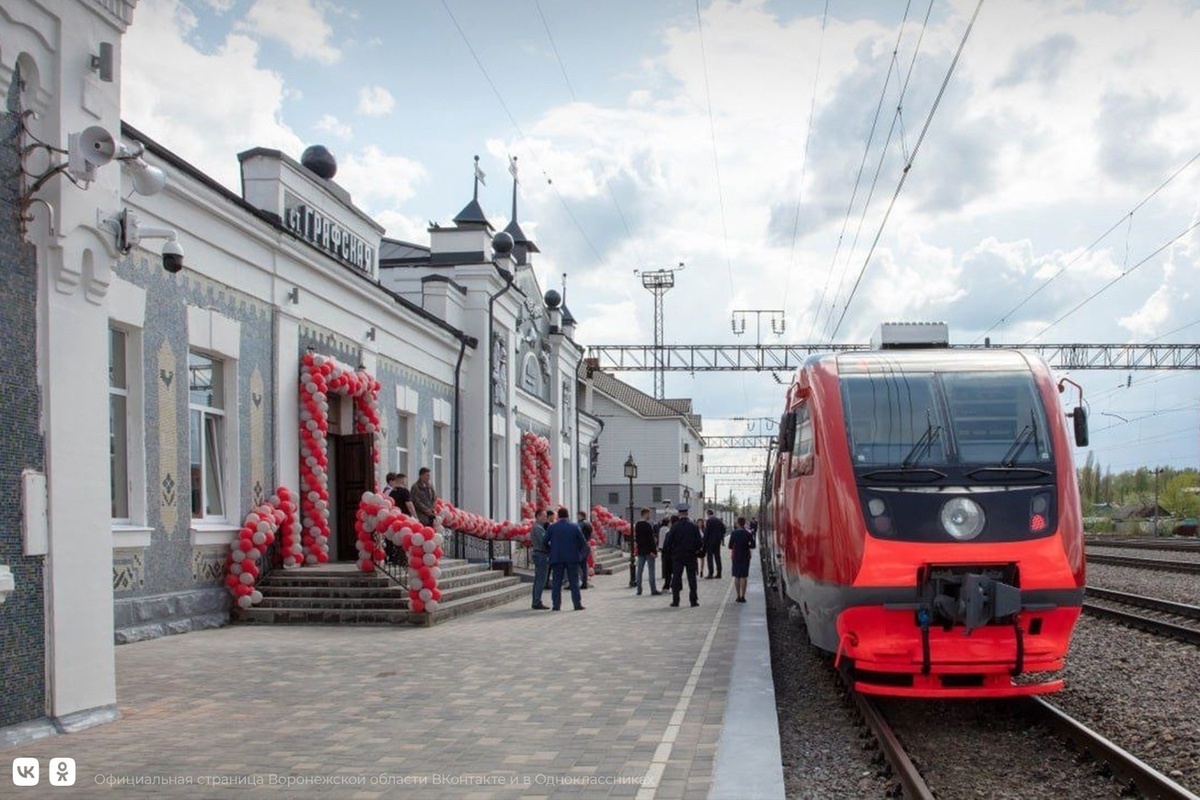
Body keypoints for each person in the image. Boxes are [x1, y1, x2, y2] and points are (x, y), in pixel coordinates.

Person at [544, 507, 587, 611]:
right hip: (572, 558)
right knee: (574, 582)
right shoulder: (574, 527)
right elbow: (583, 542)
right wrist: (579, 553)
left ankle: (556, 605)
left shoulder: (552, 527)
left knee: (556, 582)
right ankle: (577, 604)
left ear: (558, 516)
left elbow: (545, 541)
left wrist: (551, 550)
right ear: (568, 516)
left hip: (557, 557)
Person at [664, 504, 704, 607]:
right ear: (687, 513)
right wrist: (695, 550)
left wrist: (671, 553)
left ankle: (676, 600)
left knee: (677, 578)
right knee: (692, 578)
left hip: (677, 556)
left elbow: (668, 542)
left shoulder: (674, 527)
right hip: (691, 556)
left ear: (679, 514)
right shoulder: (694, 526)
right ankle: (693, 601)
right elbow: (699, 543)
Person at [728, 516, 755, 603]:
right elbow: (753, 545)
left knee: (737, 576)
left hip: (736, 556)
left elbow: (730, 546)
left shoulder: (734, 533)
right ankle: (743, 596)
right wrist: (747, 546)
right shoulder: (748, 533)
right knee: (743, 576)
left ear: (738, 523)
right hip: (745, 556)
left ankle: (737, 596)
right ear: (744, 523)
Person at [634, 507, 660, 595]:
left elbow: (637, 538)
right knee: (651, 570)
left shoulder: (637, 525)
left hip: (641, 551)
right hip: (649, 551)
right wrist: (655, 551)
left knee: (639, 571)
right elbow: (651, 540)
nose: (649, 515)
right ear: (645, 514)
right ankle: (653, 590)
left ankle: (639, 590)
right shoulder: (648, 525)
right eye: (648, 514)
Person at [530, 508, 550, 610]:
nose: (546, 517)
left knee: (539, 578)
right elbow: (544, 542)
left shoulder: (540, 527)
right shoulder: (538, 528)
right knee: (540, 579)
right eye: (544, 515)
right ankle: (537, 601)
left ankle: (536, 600)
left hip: (540, 554)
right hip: (540, 555)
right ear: (538, 516)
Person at [703, 509, 727, 579]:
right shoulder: (719, 520)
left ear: (708, 513)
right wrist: (720, 536)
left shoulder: (709, 521)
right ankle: (719, 573)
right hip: (717, 542)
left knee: (709, 557)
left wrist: (704, 541)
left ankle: (710, 573)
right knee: (717, 557)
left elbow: (707, 532)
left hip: (710, 542)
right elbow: (724, 529)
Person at [577, 511, 594, 589]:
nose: (577, 517)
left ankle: (579, 581)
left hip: (581, 545)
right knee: (584, 565)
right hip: (587, 544)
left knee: (578, 563)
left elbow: (577, 532)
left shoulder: (581, 523)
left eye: (578, 515)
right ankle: (585, 582)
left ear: (581, 516)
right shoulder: (589, 523)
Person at [659, 515, 675, 589]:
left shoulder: (661, 529)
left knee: (664, 563)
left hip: (661, 547)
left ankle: (664, 575)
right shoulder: (667, 530)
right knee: (668, 565)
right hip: (667, 549)